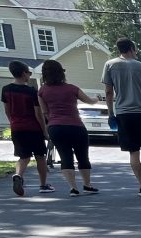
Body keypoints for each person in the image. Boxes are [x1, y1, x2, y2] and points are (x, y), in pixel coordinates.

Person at [102, 37, 141, 196]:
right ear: (131, 48)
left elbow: (108, 92)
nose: (136, 52)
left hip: (124, 114)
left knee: (133, 152)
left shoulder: (110, 65)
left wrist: (111, 113)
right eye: (135, 49)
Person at [38, 60, 99, 197]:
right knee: (83, 156)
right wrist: (96, 99)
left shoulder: (42, 91)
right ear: (61, 72)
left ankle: (73, 188)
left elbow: (44, 112)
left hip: (56, 126)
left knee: (65, 156)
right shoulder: (72, 88)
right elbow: (89, 101)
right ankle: (87, 185)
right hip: (75, 126)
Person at [1, 61, 53, 196]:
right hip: (33, 128)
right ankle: (43, 184)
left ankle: (18, 175)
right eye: (29, 73)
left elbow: (7, 110)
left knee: (23, 157)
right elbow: (38, 113)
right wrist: (44, 131)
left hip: (17, 127)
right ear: (24, 73)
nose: (29, 75)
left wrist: (13, 122)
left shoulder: (6, 90)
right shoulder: (31, 91)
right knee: (40, 156)